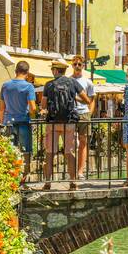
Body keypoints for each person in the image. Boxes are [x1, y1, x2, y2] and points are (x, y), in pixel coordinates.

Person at [39, 60, 80, 190]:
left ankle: (47, 182)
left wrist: (44, 109)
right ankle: (73, 182)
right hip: (68, 122)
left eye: (52, 69)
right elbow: (86, 99)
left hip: (52, 122)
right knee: (69, 153)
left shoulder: (49, 85)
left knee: (50, 153)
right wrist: (73, 98)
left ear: (56, 70)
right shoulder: (72, 82)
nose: (52, 71)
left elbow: (44, 105)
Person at [0, 62, 36, 182]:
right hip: (23, 121)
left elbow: (2, 108)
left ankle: (11, 177)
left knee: (10, 150)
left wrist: (2, 124)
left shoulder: (5, 85)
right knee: (26, 151)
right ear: (27, 73)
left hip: (8, 122)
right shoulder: (29, 86)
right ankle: (23, 178)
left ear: (16, 71)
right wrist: (34, 116)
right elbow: (33, 107)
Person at [69, 55, 96, 178]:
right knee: (72, 143)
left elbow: (92, 99)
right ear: (72, 65)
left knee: (83, 143)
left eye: (80, 64)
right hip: (71, 114)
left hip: (84, 114)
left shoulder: (88, 82)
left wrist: (90, 113)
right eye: (75, 64)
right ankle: (72, 171)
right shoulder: (68, 80)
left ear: (83, 66)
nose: (77, 66)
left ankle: (80, 171)